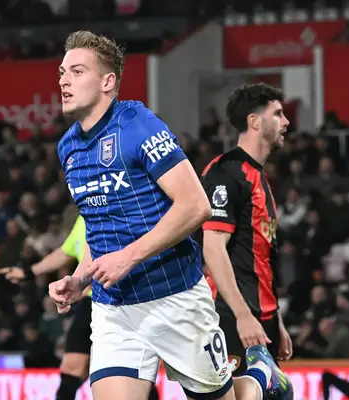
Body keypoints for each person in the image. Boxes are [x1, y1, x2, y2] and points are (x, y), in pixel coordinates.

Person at [49, 30, 293, 400]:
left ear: (107, 82)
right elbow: (99, 231)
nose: (64, 80)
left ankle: (261, 377)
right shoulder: (68, 147)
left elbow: (196, 205)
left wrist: (128, 257)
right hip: (114, 308)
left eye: (77, 71)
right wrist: (80, 279)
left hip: (174, 296)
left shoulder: (137, 124)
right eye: (62, 72)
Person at [0, 215, 160, 400]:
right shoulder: (83, 217)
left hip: (117, 299)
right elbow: (66, 252)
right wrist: (29, 272)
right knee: (79, 368)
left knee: (128, 368)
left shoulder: (113, 210)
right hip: (91, 302)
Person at [200, 83, 293, 378]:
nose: (286, 122)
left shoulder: (260, 177)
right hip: (230, 317)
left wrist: (275, 318)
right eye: (277, 114)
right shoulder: (226, 172)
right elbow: (213, 247)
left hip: (262, 317)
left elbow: (261, 257)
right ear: (254, 121)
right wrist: (242, 315)